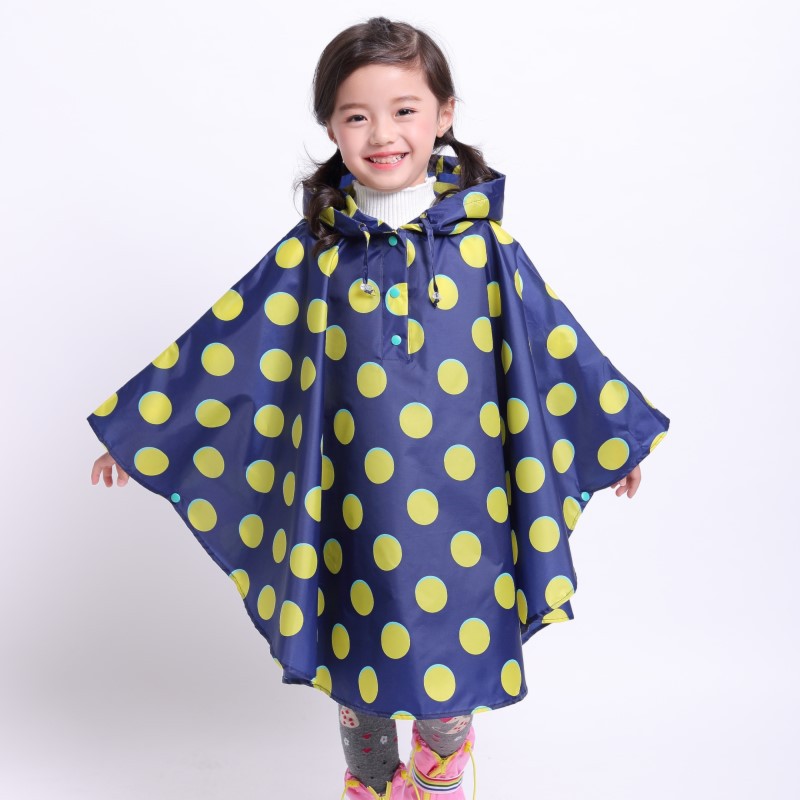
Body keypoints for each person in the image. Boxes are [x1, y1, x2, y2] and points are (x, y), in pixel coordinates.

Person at [88, 16, 670, 800]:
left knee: (453, 663)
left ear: (444, 115)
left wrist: (616, 437)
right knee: (357, 661)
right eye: (357, 115)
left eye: (404, 110)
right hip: (352, 507)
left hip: (468, 512)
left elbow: (552, 345)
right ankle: (369, 785)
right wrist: (141, 432)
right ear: (332, 128)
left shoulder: (486, 251)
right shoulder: (315, 253)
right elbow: (235, 345)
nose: (383, 134)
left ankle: (439, 773)